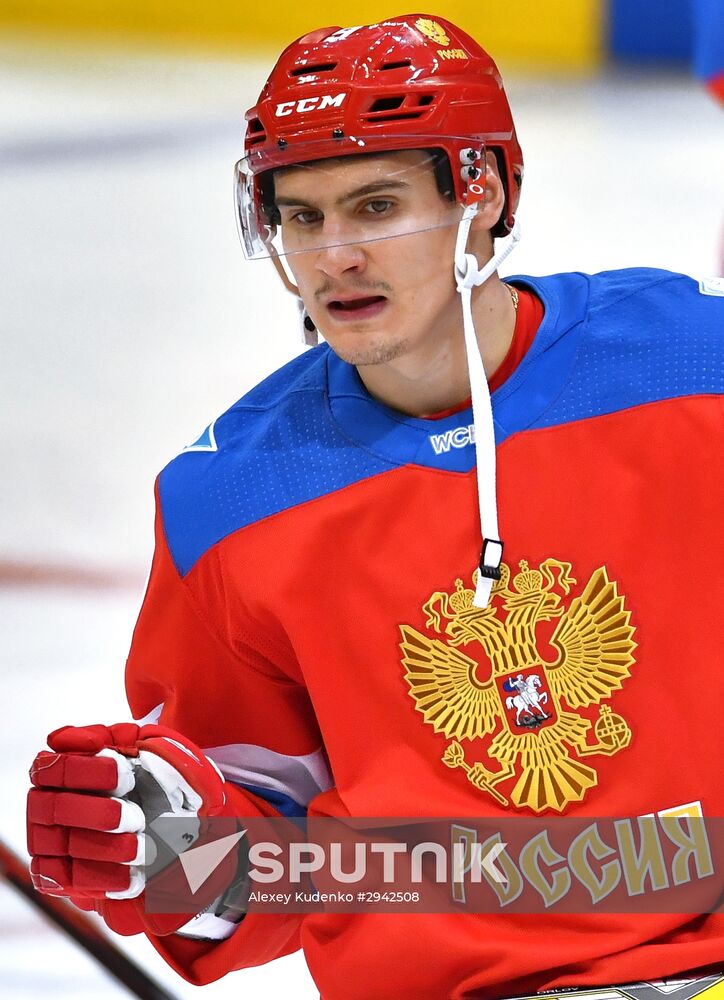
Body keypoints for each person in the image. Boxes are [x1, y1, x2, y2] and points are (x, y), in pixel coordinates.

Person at [26, 13, 724, 1000]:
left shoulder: (693, 370)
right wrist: (184, 853)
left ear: (477, 193)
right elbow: (292, 866)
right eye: (303, 218)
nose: (334, 256)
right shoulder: (228, 504)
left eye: (375, 205)